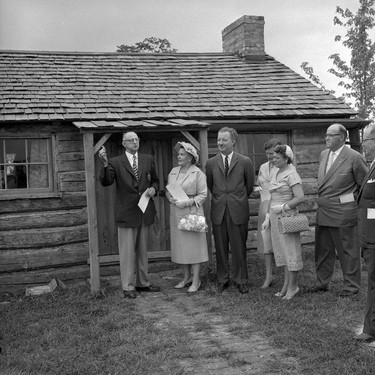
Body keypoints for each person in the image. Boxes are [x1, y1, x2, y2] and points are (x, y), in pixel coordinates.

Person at [98, 131, 160, 299]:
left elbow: (155, 180)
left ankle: (143, 283)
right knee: (126, 252)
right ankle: (128, 287)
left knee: (143, 251)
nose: (134, 142)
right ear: (123, 144)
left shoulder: (148, 159)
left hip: (144, 210)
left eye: (136, 139)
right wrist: (104, 163)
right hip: (126, 212)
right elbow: (106, 181)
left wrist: (154, 189)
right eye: (130, 140)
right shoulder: (115, 162)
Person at [311, 123, 367, 297]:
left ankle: (351, 287)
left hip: (344, 212)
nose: (326, 138)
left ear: (342, 137)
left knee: (347, 251)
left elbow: (363, 185)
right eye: (326, 135)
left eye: (330, 135)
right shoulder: (323, 154)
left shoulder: (354, 157)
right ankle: (322, 283)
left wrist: (349, 203)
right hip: (323, 210)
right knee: (323, 250)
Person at [206, 127, 255, 294]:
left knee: (239, 247)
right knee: (220, 247)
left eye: (224, 140)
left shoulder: (245, 161)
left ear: (233, 141)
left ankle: (241, 280)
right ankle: (223, 279)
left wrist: (236, 199)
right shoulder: (211, 163)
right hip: (219, 210)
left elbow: (249, 186)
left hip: (238, 209)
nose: (220, 142)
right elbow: (210, 186)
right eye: (218, 139)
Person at [262, 145, 305, 300]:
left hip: (287, 217)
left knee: (291, 251)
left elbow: (300, 197)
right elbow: (271, 196)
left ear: (286, 158)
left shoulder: (292, 174)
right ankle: (286, 285)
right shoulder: (276, 173)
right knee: (282, 252)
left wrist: (284, 207)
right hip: (275, 218)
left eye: (277, 158)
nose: (273, 160)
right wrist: (267, 216)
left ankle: (293, 287)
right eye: (272, 157)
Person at [166, 142, 209, 293]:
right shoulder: (173, 171)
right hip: (176, 212)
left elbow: (203, 194)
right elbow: (169, 189)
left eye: (182, 154)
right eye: (178, 154)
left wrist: (188, 202)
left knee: (194, 247)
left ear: (190, 157)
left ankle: (196, 279)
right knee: (181, 248)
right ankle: (186, 277)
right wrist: (169, 198)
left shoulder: (197, 173)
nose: (179, 156)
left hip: (191, 213)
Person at [354, 123, 375, 345]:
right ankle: (370, 327)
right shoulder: (372, 165)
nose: (364, 147)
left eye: (366, 142)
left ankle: (370, 329)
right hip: (369, 236)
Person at [256, 138, 282, 289]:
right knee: (266, 242)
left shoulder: (285, 166)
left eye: (272, 153)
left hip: (278, 206)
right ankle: (268, 275)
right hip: (265, 206)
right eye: (267, 153)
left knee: (281, 242)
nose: (270, 157)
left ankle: (287, 275)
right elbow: (261, 185)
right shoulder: (263, 167)